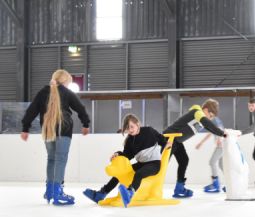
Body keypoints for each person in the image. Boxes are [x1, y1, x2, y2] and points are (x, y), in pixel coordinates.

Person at [21, 69, 90, 206]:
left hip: (48, 130)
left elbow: (31, 110)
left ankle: (50, 190)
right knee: (61, 159)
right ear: (65, 81)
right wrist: (85, 124)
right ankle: (58, 192)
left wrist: (25, 128)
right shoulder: (66, 92)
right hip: (63, 129)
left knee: (51, 159)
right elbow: (80, 108)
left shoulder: (43, 92)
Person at [83, 114, 166, 207]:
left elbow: (163, 140)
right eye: (127, 128)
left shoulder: (149, 131)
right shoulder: (130, 140)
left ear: (137, 124)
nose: (130, 130)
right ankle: (101, 193)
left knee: (139, 174)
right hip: (141, 164)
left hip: (154, 164)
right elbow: (127, 156)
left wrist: (163, 151)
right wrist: (117, 154)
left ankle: (130, 193)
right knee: (121, 173)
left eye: (131, 127)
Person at [162, 99, 226, 198]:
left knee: (184, 160)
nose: (210, 118)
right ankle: (141, 187)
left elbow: (208, 127)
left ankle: (179, 188)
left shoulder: (200, 117)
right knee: (160, 165)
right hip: (169, 138)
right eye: (210, 115)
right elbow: (207, 123)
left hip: (177, 140)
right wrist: (222, 133)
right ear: (205, 109)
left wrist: (221, 134)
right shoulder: (197, 112)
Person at [195, 117, 226, 193]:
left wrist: (219, 138)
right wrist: (201, 143)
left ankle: (216, 184)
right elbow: (210, 134)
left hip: (221, 146)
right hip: (222, 145)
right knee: (221, 165)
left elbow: (220, 129)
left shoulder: (215, 120)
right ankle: (231, 183)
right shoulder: (214, 121)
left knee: (212, 162)